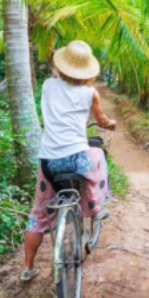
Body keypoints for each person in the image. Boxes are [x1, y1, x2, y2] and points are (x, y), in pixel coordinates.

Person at [20, 40, 117, 283]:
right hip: (77, 158)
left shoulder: (48, 85)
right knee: (98, 154)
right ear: (87, 71)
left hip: (49, 162)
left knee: (38, 214)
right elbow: (102, 119)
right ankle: (95, 204)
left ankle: (28, 267)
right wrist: (110, 124)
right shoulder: (89, 93)